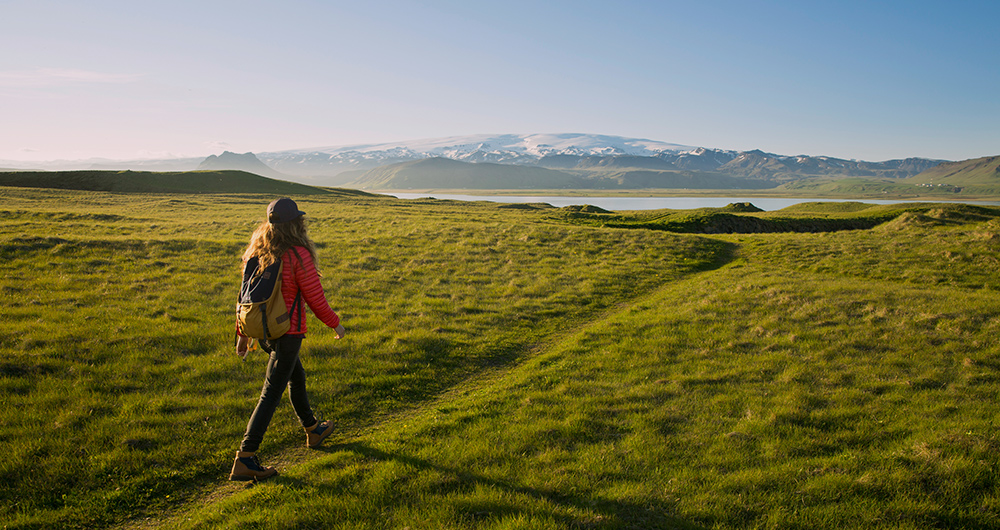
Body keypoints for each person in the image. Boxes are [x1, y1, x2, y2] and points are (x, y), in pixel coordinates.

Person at [229, 197, 346, 482]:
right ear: (297, 223)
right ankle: (245, 457)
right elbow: (315, 298)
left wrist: (242, 334)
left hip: (266, 332)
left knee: (297, 376)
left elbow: (246, 297)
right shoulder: (297, 254)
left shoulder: (256, 250)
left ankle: (313, 430)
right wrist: (336, 324)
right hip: (288, 332)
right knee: (270, 394)